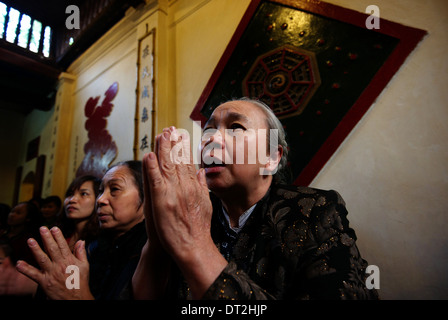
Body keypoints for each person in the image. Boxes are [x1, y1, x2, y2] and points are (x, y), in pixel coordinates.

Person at [132, 98, 378, 300]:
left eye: (236, 128)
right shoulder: (192, 208)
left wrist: (193, 242)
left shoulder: (316, 209)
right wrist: (156, 240)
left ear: (271, 156)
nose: (210, 140)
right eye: (208, 129)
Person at [16, 160, 147, 300]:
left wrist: (76, 296)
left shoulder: (151, 250)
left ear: (147, 195)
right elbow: (70, 287)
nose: (100, 199)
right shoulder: (95, 247)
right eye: (101, 191)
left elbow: (74, 292)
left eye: (114, 189)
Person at [57, 175, 101, 252]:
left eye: (83, 194)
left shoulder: (100, 241)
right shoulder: (60, 234)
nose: (72, 200)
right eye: (70, 194)